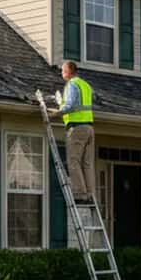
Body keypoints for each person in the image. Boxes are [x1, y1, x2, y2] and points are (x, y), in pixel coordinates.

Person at [48, 61, 95, 205]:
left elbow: (70, 106)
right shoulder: (86, 85)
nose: (61, 73)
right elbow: (80, 104)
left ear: (68, 71)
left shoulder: (71, 85)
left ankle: (80, 194)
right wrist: (60, 101)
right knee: (87, 164)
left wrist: (56, 113)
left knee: (73, 162)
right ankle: (90, 194)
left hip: (77, 128)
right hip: (89, 128)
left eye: (62, 71)